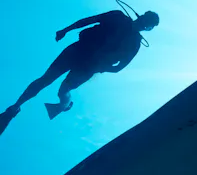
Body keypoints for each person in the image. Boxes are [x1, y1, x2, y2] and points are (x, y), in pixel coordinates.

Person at [0, 7, 159, 135]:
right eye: (146, 18)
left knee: (63, 89)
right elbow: (90, 20)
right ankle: (14, 107)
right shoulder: (118, 17)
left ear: (147, 27)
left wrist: (100, 67)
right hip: (78, 51)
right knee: (45, 79)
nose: (144, 22)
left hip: (89, 65)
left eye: (147, 22)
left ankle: (64, 104)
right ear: (143, 16)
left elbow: (119, 67)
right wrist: (66, 30)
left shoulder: (134, 42)